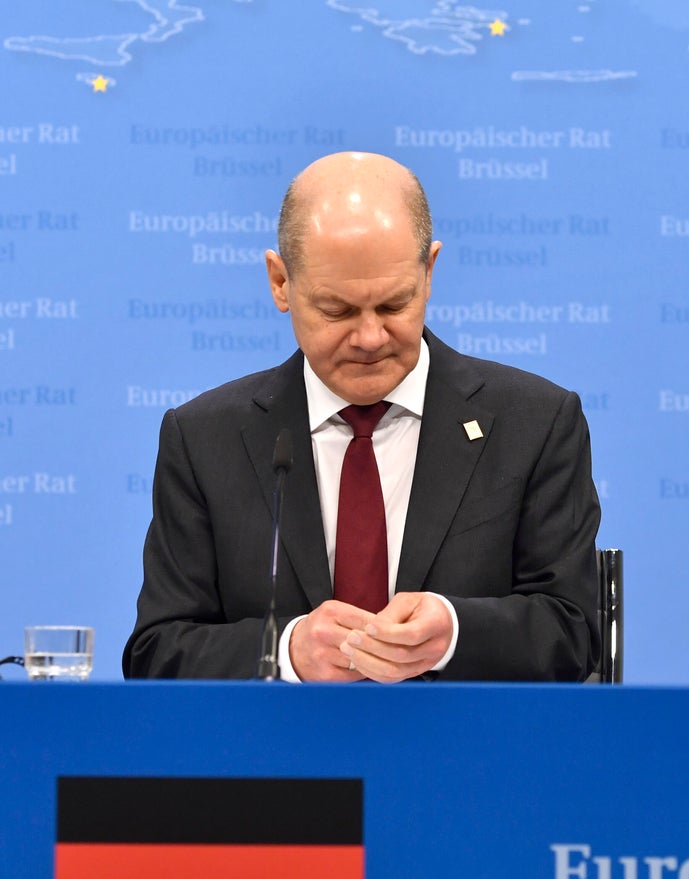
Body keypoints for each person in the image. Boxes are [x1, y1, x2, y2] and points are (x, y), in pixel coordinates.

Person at [123, 151, 600, 683]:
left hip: (467, 758)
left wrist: (456, 631)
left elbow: (574, 630)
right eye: (338, 311)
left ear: (430, 271)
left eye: (395, 306)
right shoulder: (204, 438)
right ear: (280, 282)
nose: (370, 338)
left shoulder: (534, 422)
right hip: (281, 760)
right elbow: (156, 653)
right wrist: (286, 651)